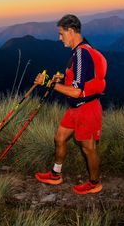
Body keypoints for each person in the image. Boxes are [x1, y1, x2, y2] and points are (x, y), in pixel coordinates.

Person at [34, 14, 107, 195]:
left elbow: (76, 91)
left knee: (88, 148)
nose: (60, 38)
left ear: (71, 31)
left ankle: (94, 183)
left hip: (87, 108)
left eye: (61, 34)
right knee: (59, 138)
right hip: (75, 108)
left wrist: (49, 83)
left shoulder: (82, 54)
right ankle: (55, 174)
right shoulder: (79, 51)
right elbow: (76, 82)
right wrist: (60, 79)